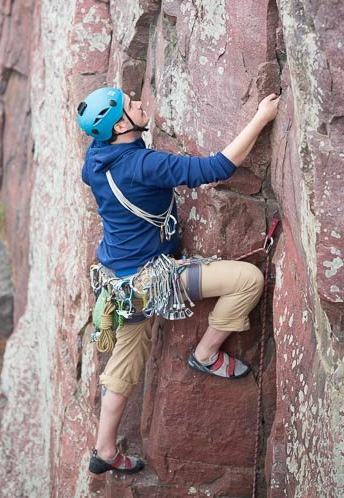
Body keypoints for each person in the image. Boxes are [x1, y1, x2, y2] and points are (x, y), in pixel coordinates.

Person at [77, 87, 280, 475]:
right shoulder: (143, 166)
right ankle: (205, 354)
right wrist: (261, 118)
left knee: (125, 362)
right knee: (248, 280)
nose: (139, 103)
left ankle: (104, 450)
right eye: (130, 104)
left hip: (118, 284)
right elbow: (217, 168)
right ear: (121, 124)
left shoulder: (96, 159)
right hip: (151, 280)